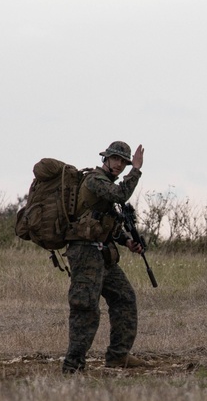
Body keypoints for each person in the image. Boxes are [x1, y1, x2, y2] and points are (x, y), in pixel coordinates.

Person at [62, 141, 150, 373]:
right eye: (116, 159)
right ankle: (73, 366)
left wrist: (127, 241)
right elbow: (121, 194)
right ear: (106, 158)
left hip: (103, 251)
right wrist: (137, 170)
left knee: (124, 298)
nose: (120, 165)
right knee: (86, 307)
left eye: (124, 162)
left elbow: (106, 222)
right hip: (85, 252)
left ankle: (118, 356)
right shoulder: (95, 180)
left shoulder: (106, 186)